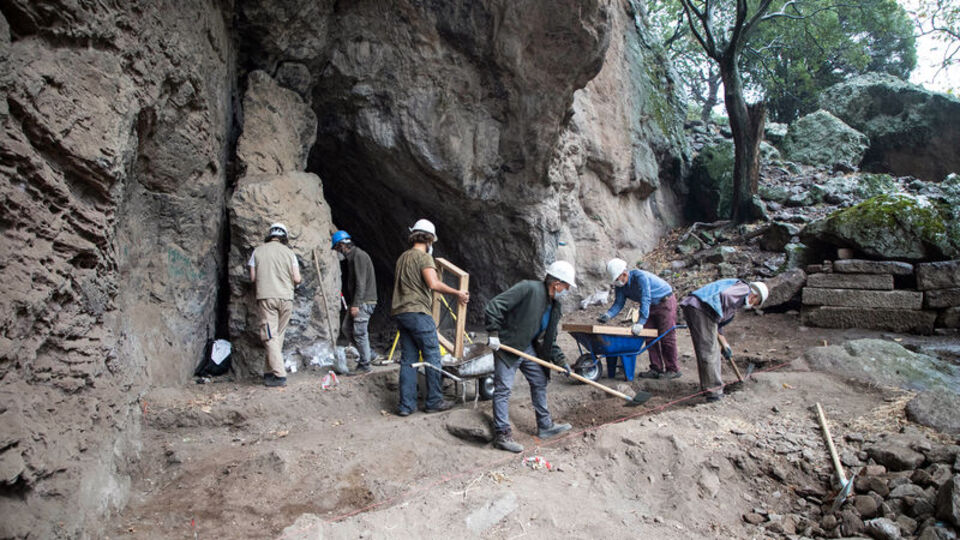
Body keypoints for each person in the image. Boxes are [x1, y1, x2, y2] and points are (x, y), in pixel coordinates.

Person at [485, 261, 577, 453]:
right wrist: (493, 333)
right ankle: (502, 435)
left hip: (526, 347)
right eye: (567, 286)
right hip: (508, 346)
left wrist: (561, 361)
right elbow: (495, 306)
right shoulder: (528, 288)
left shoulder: (554, 306)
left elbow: (549, 339)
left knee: (540, 379)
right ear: (557, 284)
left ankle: (545, 426)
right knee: (503, 389)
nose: (567, 290)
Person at [391, 219, 469, 416]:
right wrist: (457, 292)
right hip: (418, 312)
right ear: (430, 239)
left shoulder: (402, 257)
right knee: (433, 355)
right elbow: (433, 284)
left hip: (401, 313)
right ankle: (434, 400)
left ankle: (406, 406)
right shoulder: (424, 258)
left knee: (409, 360)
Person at [679, 279, 768, 402]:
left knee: (708, 350)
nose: (753, 306)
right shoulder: (744, 289)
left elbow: (718, 326)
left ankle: (709, 388)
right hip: (702, 309)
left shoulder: (736, 303)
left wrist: (725, 344)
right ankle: (714, 392)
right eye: (756, 303)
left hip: (698, 308)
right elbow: (724, 297)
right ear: (755, 296)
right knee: (710, 351)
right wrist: (718, 316)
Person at [597, 258, 680, 379]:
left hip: (664, 302)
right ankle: (656, 368)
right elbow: (619, 303)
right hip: (650, 305)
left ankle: (672, 369)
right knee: (649, 336)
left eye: (616, 279)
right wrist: (608, 315)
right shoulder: (621, 286)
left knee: (666, 337)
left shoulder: (640, 277)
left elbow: (646, 298)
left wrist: (641, 321)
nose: (616, 283)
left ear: (624, 274)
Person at [248, 223, 302, 387]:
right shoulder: (290, 253)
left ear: (269, 235)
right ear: (284, 237)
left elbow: (252, 278)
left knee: (270, 336)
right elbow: (297, 279)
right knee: (277, 336)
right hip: (287, 298)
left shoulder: (257, 251)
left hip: (267, 297)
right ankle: (268, 372)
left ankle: (280, 375)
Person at [332, 230, 378, 375]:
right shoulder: (353, 258)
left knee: (359, 332)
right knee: (346, 328)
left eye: (337, 249)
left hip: (364, 301)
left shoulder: (358, 256)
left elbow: (361, 283)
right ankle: (369, 354)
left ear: (342, 245)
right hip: (358, 301)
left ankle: (365, 365)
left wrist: (357, 304)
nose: (337, 252)